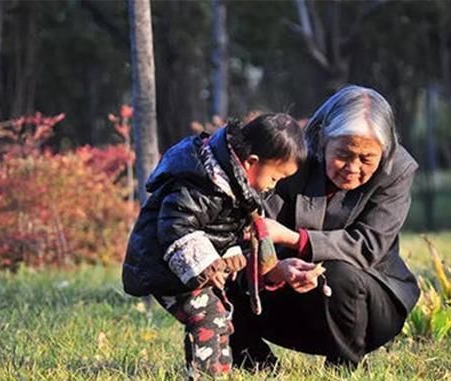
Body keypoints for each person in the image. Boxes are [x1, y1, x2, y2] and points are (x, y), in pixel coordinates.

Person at [228, 85, 420, 369]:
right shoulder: (289, 156)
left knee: (338, 272)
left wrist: (295, 239)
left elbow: (368, 246)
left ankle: (344, 365)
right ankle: (255, 362)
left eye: (367, 159)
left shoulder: (398, 169)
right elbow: (252, 227)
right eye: (343, 154)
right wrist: (276, 267)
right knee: (220, 267)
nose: (353, 168)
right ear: (322, 139)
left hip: (366, 306)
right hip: (284, 291)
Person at [122, 113, 317, 379]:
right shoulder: (203, 183)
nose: (274, 187)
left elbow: (220, 229)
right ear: (251, 163)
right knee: (208, 315)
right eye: (275, 178)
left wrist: (231, 252)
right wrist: (207, 262)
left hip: (189, 268)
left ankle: (220, 369)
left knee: (221, 315)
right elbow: (175, 226)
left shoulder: (235, 188)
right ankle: (206, 374)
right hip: (167, 267)